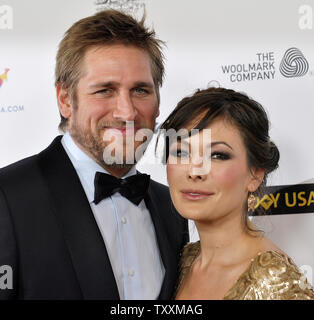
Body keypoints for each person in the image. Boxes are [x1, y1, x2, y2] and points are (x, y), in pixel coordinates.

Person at [0, 10, 188, 300]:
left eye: (140, 90)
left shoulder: (173, 206)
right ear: (65, 99)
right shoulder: (8, 197)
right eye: (104, 91)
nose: (126, 112)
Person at [158, 87, 314, 300]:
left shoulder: (278, 284)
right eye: (181, 152)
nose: (194, 171)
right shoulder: (185, 259)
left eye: (218, 155)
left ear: (255, 175)